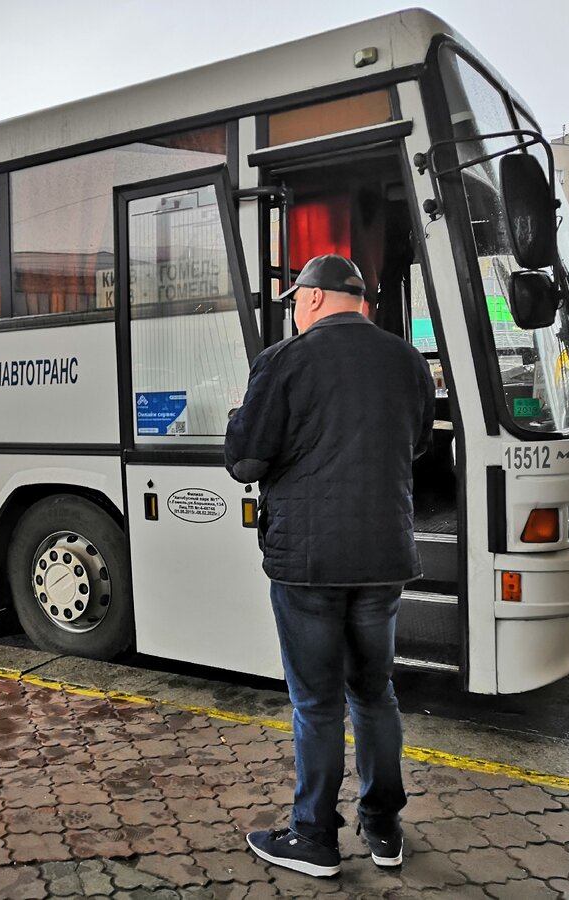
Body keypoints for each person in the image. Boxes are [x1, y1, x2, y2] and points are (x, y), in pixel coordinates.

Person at [224, 254, 434, 878]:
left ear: (312, 300)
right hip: (382, 557)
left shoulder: (284, 361)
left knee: (316, 703)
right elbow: (418, 441)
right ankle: (384, 830)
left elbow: (246, 462)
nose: (293, 309)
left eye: (295, 300)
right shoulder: (407, 361)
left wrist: (240, 415)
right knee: (375, 695)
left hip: (308, 563)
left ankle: (313, 836)